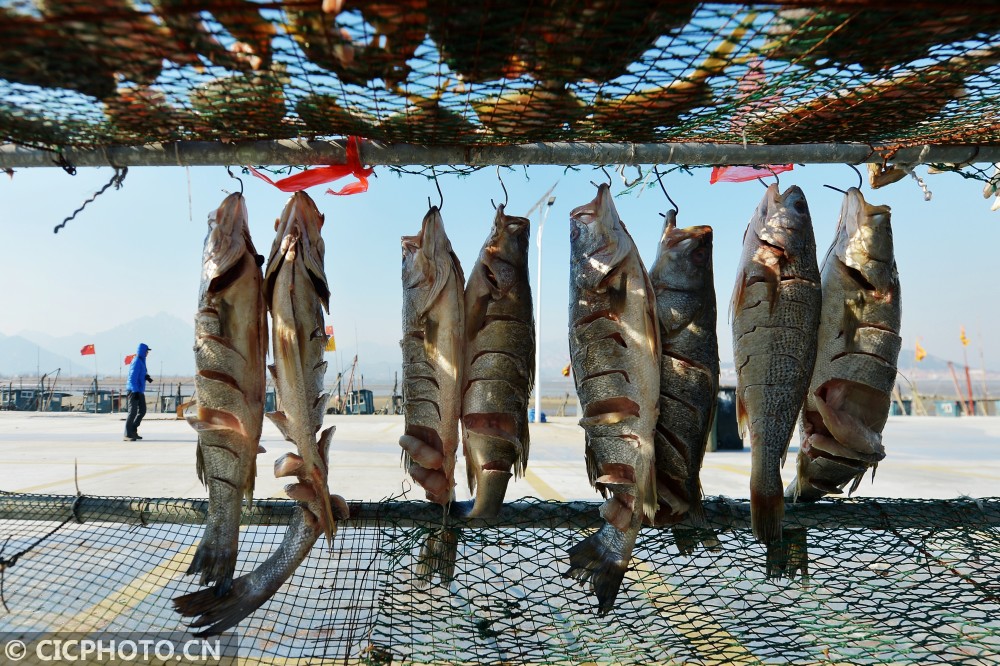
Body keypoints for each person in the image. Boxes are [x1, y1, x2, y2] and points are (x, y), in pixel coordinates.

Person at [124, 343, 153, 441]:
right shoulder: (136, 361)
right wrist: (135, 391)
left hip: (139, 390)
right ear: (142, 351)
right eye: (147, 351)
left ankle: (133, 430)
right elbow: (132, 378)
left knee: (142, 411)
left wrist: (146, 377)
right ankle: (127, 434)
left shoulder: (141, 361)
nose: (147, 353)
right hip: (133, 390)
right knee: (132, 412)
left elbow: (140, 374)